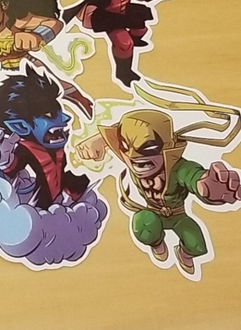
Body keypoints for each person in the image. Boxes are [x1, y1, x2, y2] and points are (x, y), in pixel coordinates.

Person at [77, 106, 241, 275]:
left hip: (178, 216)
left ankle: (184, 253)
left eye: (147, 148)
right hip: (152, 214)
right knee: (143, 224)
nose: (133, 155)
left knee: (196, 244)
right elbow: (121, 135)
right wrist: (100, 139)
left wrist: (205, 184)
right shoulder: (131, 159)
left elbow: (191, 175)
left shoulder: (178, 168)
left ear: (167, 149)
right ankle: (157, 243)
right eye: (125, 147)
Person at [0, 66, 90, 209]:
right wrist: (4, 160)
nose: (66, 118)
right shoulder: (27, 149)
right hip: (41, 207)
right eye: (50, 115)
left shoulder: (59, 146)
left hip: (65, 201)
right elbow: (13, 168)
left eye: (59, 112)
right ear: (21, 126)